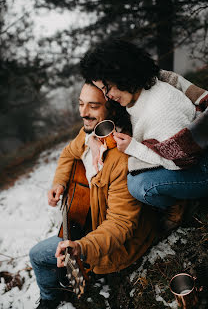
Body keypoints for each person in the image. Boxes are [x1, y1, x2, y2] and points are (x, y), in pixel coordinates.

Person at [29, 83, 158, 309]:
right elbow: (68, 154)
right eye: (80, 104)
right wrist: (59, 182)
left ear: (113, 109)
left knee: (37, 256)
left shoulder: (122, 159)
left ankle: (50, 301)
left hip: (117, 243)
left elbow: (121, 224)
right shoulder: (90, 133)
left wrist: (82, 247)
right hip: (89, 218)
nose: (83, 112)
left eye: (93, 105)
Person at [80, 39, 208, 230]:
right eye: (102, 90)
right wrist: (92, 140)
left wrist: (134, 148)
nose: (107, 96)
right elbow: (98, 124)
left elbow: (180, 162)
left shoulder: (161, 109)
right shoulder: (140, 89)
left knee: (140, 185)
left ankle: (179, 204)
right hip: (186, 156)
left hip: (198, 167)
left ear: (123, 74)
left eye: (107, 88)